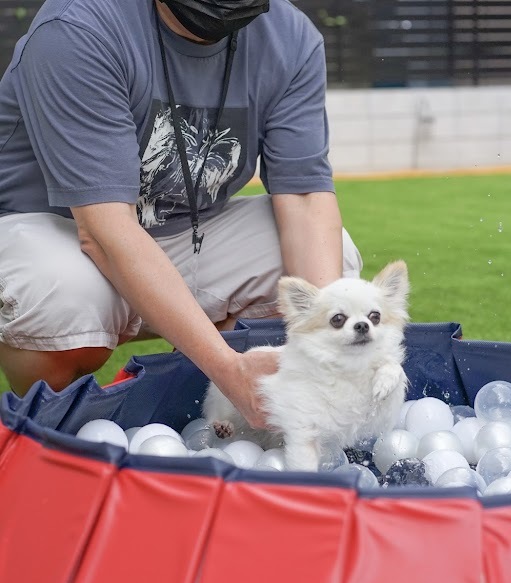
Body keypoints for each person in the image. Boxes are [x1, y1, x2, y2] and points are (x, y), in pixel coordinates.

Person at [0, 0, 362, 428]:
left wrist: (321, 344)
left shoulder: (292, 36)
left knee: (330, 268)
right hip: (59, 230)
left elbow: (304, 200)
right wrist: (227, 367)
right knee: (63, 290)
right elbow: (104, 232)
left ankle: (193, 405)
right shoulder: (78, 27)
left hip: (184, 230)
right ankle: (51, 430)